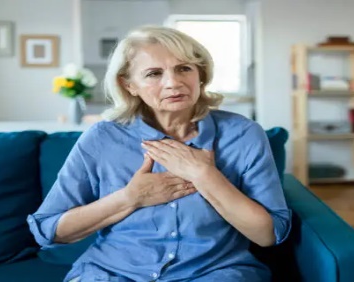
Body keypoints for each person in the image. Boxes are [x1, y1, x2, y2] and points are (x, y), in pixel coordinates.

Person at [27, 25, 291, 282]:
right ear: (129, 84)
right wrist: (131, 197)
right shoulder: (102, 138)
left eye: (184, 68)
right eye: (154, 73)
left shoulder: (243, 134)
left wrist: (204, 175)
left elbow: (267, 234)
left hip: (214, 271)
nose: (173, 83)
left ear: (200, 74)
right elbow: (50, 230)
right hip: (112, 273)